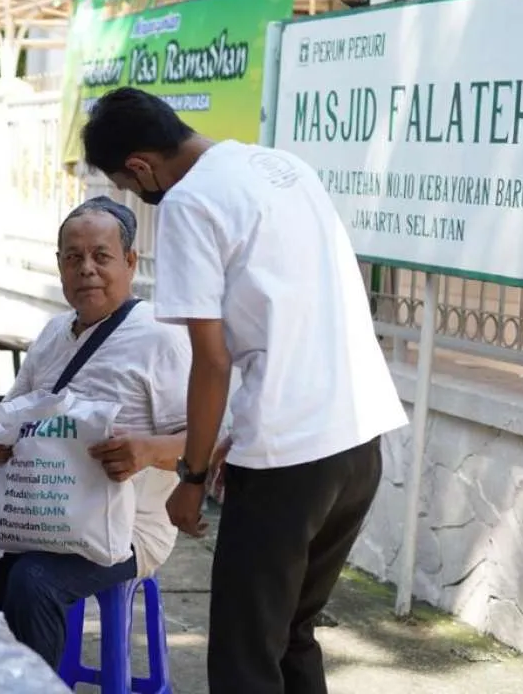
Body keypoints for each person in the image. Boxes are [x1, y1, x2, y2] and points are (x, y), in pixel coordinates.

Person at [80, 87, 407, 694]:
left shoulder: (188, 204)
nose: (137, 197)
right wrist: (237, 431)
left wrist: (192, 478)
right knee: (290, 636)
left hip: (289, 459)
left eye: (127, 188)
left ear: (141, 167)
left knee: (243, 658)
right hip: (359, 440)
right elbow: (292, 318)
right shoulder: (282, 167)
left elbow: (212, 360)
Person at [0, 195, 192, 670]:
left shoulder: (162, 337)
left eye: (101, 256)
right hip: (35, 519)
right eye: (74, 258)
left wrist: (148, 451)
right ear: (59, 266)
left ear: (130, 262)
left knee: (34, 581)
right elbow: (10, 417)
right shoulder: (54, 332)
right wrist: (2, 441)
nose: (86, 269)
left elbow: (207, 446)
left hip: (126, 529)